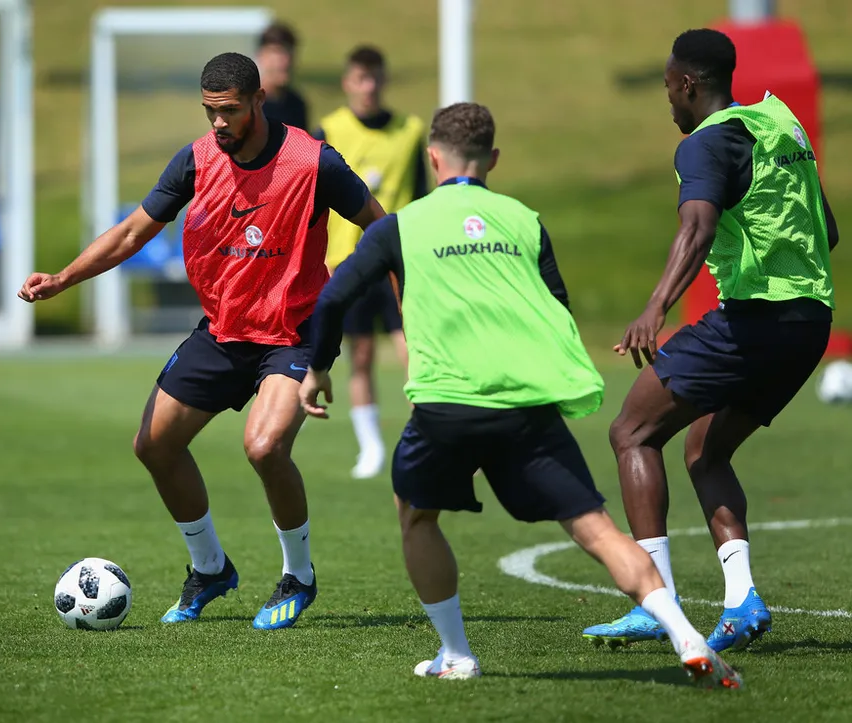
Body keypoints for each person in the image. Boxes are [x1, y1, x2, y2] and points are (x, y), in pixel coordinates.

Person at [298, 101, 741, 688]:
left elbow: (333, 298)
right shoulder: (524, 221)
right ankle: (686, 635)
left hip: (447, 404)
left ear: (433, 159)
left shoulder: (399, 227)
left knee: (416, 514)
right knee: (597, 529)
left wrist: (318, 369)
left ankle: (456, 653)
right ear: (493, 160)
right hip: (525, 405)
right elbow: (557, 309)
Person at [18, 52, 384, 630]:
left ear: (259, 100)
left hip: (292, 333)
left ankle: (298, 576)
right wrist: (64, 278)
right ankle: (210, 568)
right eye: (210, 110)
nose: (218, 122)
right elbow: (132, 233)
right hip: (223, 329)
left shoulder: (313, 161)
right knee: (154, 445)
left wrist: (383, 298)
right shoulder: (195, 159)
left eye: (229, 110)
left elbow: (380, 228)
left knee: (264, 447)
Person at [583, 29, 839, 652]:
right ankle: (742, 600)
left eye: (669, 88)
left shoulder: (703, 144)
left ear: (688, 84)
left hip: (753, 321)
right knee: (705, 451)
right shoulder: (780, 124)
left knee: (632, 432)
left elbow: (696, 227)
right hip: (810, 324)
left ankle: (654, 601)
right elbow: (826, 228)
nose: (669, 101)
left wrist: (655, 307)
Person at [312, 46, 428, 479]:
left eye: (376, 77)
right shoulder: (329, 129)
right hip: (348, 261)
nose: (369, 86)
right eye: (361, 78)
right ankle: (371, 448)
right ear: (347, 82)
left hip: (399, 259)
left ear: (385, 79)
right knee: (359, 355)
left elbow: (421, 195)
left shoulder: (410, 130)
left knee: (413, 352)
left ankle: (429, 439)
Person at [256, 22, 309, 130]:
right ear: (261, 56)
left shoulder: (296, 104)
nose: (286, 61)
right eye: (278, 53)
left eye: (289, 53)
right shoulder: (250, 104)